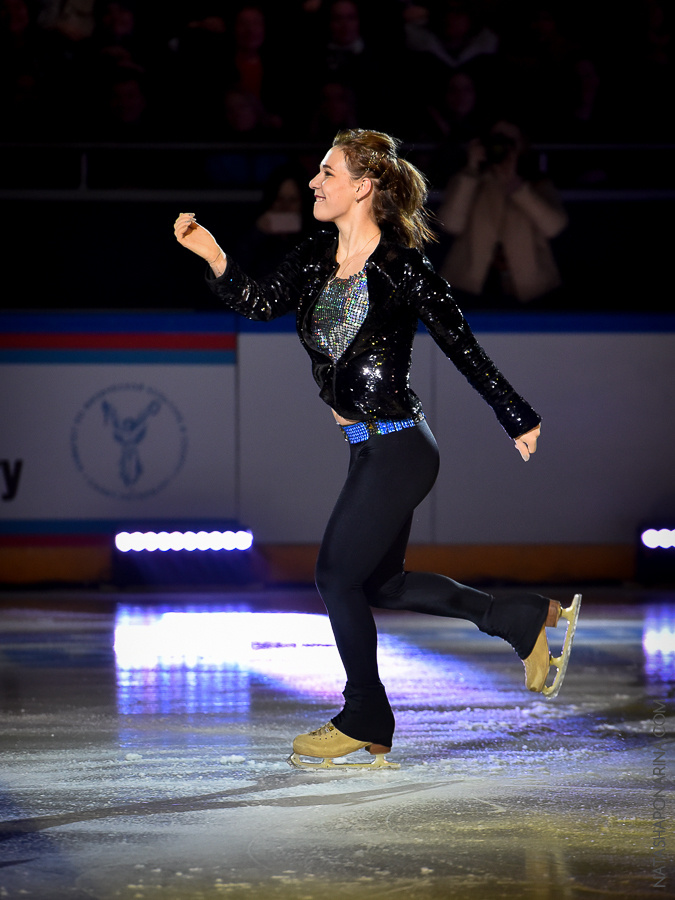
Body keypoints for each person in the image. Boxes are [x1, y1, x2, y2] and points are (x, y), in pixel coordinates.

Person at [173, 128, 580, 768]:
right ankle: (520, 618)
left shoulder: (403, 268)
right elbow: (258, 303)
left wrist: (514, 412)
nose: (314, 182)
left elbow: (461, 344)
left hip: (400, 446)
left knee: (335, 575)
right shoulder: (313, 256)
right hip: (368, 448)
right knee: (380, 583)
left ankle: (365, 712)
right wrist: (215, 255)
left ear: (362, 187)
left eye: (327, 173)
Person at [437, 119, 568, 306]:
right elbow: (450, 224)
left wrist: (517, 186)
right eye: (496, 139)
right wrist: (472, 169)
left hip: (530, 289)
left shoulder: (537, 183)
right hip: (470, 286)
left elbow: (554, 227)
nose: (502, 146)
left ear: (522, 145)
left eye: (510, 140)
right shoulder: (469, 180)